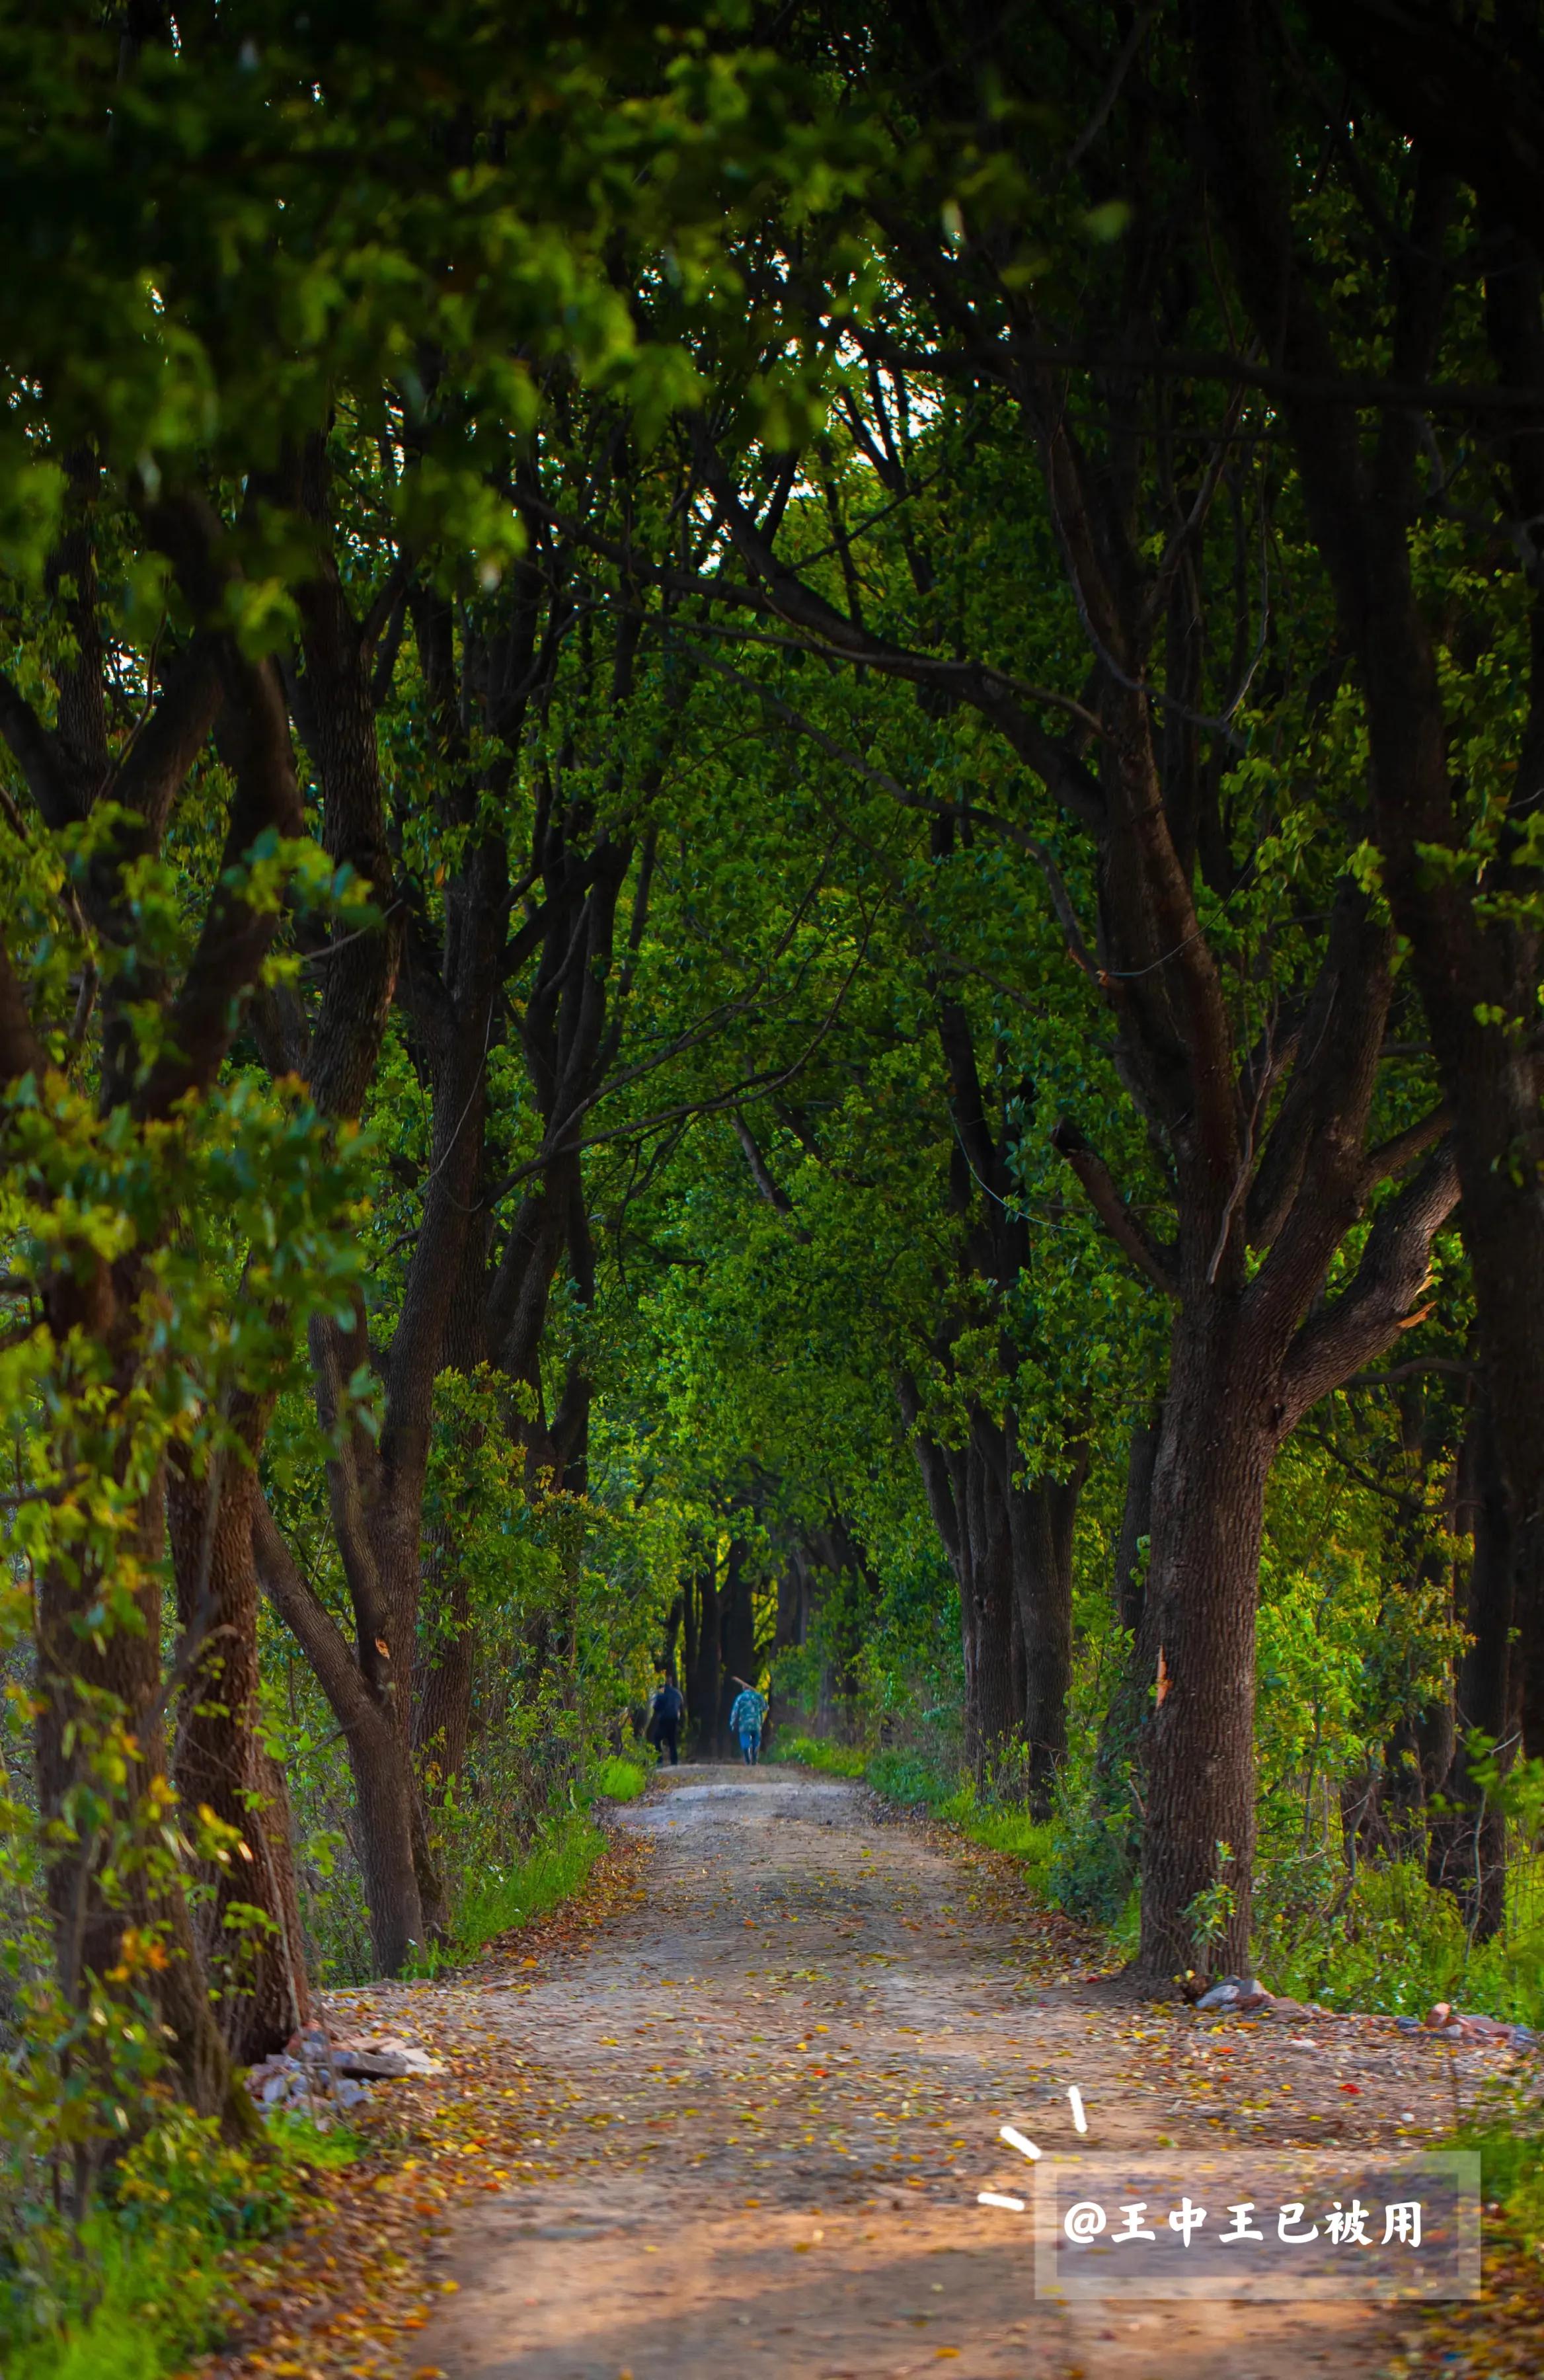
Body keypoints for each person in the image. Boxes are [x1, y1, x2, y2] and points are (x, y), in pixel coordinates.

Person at [728, 1679, 767, 1766]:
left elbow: (735, 1711)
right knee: (756, 1740)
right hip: (756, 1723)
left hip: (744, 1724)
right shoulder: (759, 1696)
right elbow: (766, 1708)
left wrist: (732, 1723)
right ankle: (754, 1756)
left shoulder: (741, 1697)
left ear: (745, 1687)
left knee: (745, 1739)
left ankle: (747, 1756)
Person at [650, 1678, 685, 1766]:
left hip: (664, 1718)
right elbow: (681, 1704)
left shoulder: (661, 1691)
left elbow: (656, 1706)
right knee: (672, 1740)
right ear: (671, 1683)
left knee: (657, 1738)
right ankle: (674, 1761)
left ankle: (659, 1760)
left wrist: (659, 1712)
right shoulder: (677, 1692)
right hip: (674, 1719)